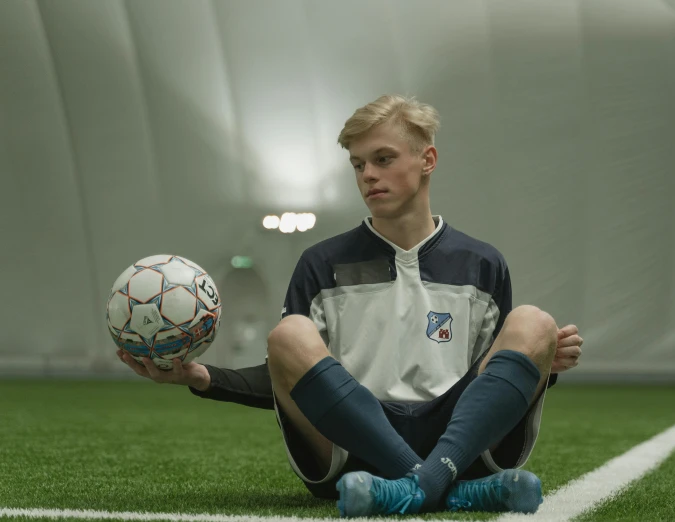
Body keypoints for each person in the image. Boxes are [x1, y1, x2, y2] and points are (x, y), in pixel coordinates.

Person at [117, 94, 583, 517]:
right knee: (288, 335)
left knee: (534, 322)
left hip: (457, 445)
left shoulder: (481, 263)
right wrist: (203, 377)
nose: (368, 175)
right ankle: (444, 488)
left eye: (383, 159)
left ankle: (420, 485)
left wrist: (546, 360)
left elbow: (494, 388)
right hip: (352, 450)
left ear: (428, 160)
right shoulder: (322, 263)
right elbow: (290, 375)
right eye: (358, 164)